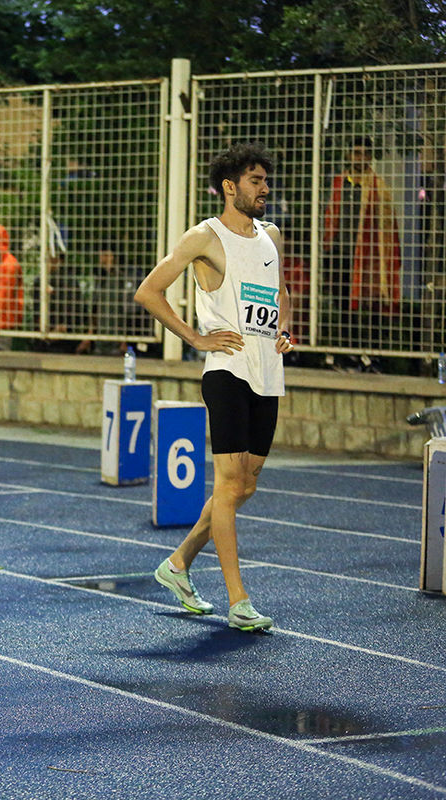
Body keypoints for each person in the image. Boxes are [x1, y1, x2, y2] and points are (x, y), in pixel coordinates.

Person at [134, 141, 294, 632]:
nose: (265, 187)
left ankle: (177, 565)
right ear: (230, 187)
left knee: (244, 485)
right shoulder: (204, 237)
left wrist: (284, 330)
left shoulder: (272, 235)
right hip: (227, 372)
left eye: (266, 179)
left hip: (268, 371)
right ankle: (238, 600)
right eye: (255, 180)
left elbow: (281, 293)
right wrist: (196, 337)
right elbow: (148, 291)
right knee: (227, 486)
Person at [322, 136, 403, 352]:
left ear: (369, 157)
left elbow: (387, 225)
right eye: (356, 152)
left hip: (367, 258)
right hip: (340, 255)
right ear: (349, 155)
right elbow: (331, 216)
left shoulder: (378, 186)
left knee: (370, 309)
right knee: (343, 308)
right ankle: (346, 353)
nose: (359, 157)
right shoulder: (340, 182)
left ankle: (371, 354)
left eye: (364, 153)